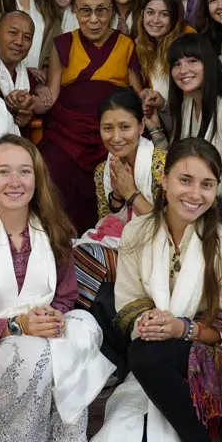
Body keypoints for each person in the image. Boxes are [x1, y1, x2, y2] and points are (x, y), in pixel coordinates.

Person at [0, 135, 114, 440]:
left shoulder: (54, 236)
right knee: (35, 350)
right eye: (4, 171)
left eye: (24, 171)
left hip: (44, 359)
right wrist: (17, 326)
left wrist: (54, 318)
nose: (15, 181)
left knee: (81, 326)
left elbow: (65, 297)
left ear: (36, 178)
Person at [93, 138, 222, 442]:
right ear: (164, 181)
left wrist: (183, 328)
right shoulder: (137, 233)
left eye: (207, 184)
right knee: (146, 351)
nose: (195, 194)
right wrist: (150, 321)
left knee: (144, 356)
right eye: (185, 180)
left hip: (215, 355)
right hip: (155, 345)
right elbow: (127, 304)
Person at [38, 0, 142, 234]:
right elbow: (51, 97)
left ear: (111, 12)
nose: (94, 19)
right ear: (75, 11)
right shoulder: (62, 43)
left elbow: (139, 97)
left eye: (101, 11)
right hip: (68, 131)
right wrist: (32, 98)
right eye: (86, 11)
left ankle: (115, 237)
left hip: (112, 130)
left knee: (135, 166)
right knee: (48, 163)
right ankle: (60, 235)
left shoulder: (127, 44)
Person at [74, 89, 167, 310]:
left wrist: (130, 193)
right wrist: (116, 196)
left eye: (125, 127)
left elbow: (169, 228)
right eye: (107, 128)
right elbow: (108, 222)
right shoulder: (103, 171)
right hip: (120, 245)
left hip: (159, 253)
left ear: (141, 127)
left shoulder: (162, 166)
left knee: (86, 258)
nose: (116, 137)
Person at [147, 33, 222, 229]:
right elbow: (178, 160)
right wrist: (155, 128)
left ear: (208, 64)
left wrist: (195, 189)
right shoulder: (188, 104)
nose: (183, 70)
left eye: (192, 61)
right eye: (176, 64)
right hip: (198, 199)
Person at [135, 0, 196, 135]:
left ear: (174, 18)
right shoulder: (141, 44)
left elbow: (194, 99)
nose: (155, 20)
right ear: (142, 14)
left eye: (164, 14)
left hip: (189, 123)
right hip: (160, 123)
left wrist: (163, 104)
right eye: (150, 13)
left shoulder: (187, 39)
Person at [0, 10, 53, 129]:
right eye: (13, 33)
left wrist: (27, 116)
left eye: (27, 37)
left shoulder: (31, 79)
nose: (19, 42)